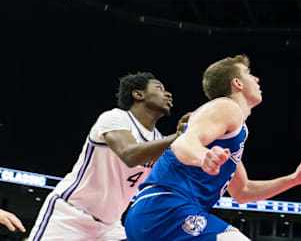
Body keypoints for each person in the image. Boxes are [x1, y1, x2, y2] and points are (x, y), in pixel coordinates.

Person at [124, 55, 301, 241]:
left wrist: (293, 180)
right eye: (248, 73)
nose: (257, 79)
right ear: (236, 83)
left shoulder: (232, 133)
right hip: (164, 208)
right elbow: (183, 143)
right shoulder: (227, 107)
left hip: (155, 215)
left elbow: (243, 191)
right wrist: (204, 157)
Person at [28, 72, 189, 241]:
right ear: (138, 94)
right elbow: (130, 155)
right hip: (71, 215)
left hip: (110, 226)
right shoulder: (115, 118)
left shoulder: (159, 141)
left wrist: (198, 133)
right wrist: (179, 137)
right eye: (159, 88)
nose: (168, 93)